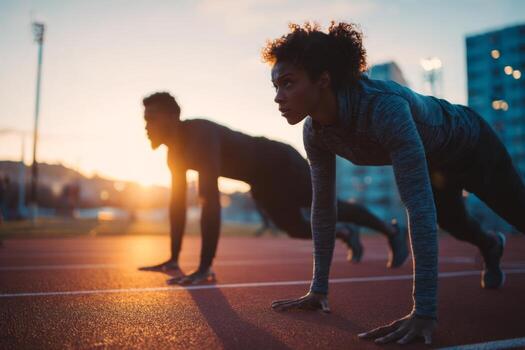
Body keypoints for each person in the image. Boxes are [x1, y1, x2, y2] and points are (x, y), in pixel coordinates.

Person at [262, 22, 524, 346]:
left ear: (323, 80)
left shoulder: (384, 107)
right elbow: (324, 208)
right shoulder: (315, 133)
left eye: (287, 84)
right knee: (455, 223)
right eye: (275, 86)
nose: (278, 97)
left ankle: (492, 244)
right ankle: (491, 245)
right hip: (436, 164)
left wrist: (424, 311)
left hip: (473, 145)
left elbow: (417, 205)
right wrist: (318, 288)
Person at [138, 92, 408, 284]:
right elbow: (177, 205)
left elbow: (208, 197)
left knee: (327, 207)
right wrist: (173, 259)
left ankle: (391, 230)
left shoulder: (200, 134)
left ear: (173, 117)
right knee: (295, 228)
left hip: (281, 162)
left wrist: (204, 267)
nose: (146, 127)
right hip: (261, 181)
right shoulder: (173, 154)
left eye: (151, 119)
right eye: (145, 120)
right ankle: (343, 233)